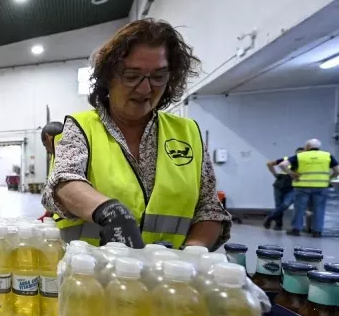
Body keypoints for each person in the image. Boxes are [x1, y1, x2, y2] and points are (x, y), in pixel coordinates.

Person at [43, 18, 231, 249]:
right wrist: (111, 212)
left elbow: (209, 209)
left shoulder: (187, 133)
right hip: (92, 274)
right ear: (108, 77)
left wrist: (190, 257)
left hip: (169, 277)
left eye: (158, 76)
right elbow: (64, 181)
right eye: (131, 76)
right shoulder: (82, 127)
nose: (145, 89)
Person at [278, 138, 339, 237]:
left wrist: (292, 174)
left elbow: (282, 165)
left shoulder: (300, 156)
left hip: (302, 186)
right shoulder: (327, 156)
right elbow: (337, 170)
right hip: (321, 187)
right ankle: (317, 231)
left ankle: (296, 229)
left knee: (300, 208)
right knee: (319, 209)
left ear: (307, 147)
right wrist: (330, 177)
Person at [263, 147, 304, 230]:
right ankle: (278, 225)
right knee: (278, 205)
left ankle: (269, 218)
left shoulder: (305, 163)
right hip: (280, 184)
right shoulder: (287, 159)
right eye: (298, 154)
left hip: (294, 186)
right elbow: (269, 164)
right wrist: (275, 174)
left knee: (285, 205)